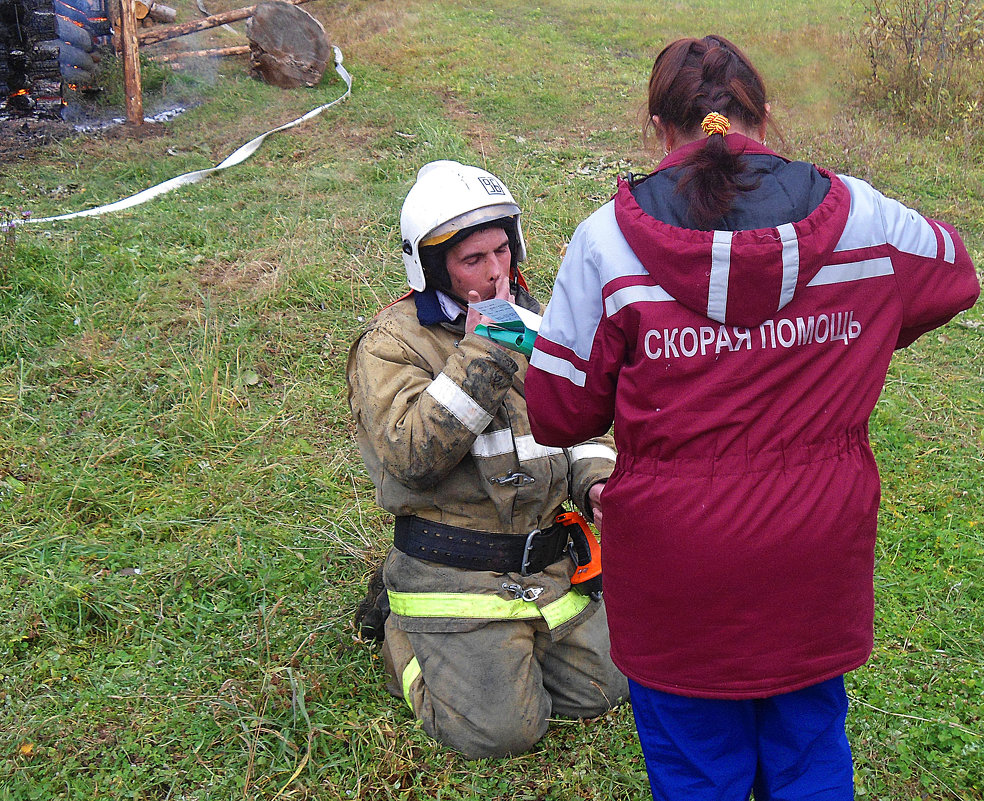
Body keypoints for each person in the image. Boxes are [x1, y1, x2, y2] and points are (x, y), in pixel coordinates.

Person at [524, 35, 979, 801]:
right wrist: (853, 330)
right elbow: (955, 276)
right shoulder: (864, 216)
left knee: (698, 769)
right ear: (763, 118)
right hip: (814, 560)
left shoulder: (606, 241)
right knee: (808, 755)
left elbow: (558, 409)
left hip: (677, 575)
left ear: (658, 128)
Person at [347, 159, 628, 759]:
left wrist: (597, 482)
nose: (498, 271)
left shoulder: (533, 319)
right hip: (452, 566)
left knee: (606, 688)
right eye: (473, 260)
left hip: (544, 560)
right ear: (430, 267)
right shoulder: (391, 344)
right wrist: (482, 350)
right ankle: (402, 629)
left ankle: (518, 643)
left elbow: (574, 423)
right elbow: (413, 456)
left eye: (502, 249)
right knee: (501, 732)